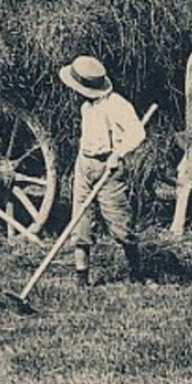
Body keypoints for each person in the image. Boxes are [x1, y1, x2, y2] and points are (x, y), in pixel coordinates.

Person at [58, 55, 147, 285]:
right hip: (84, 165)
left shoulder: (116, 104)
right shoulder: (86, 106)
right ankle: (81, 280)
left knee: (121, 227)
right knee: (80, 224)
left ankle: (136, 273)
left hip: (109, 169)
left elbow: (137, 133)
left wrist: (118, 154)